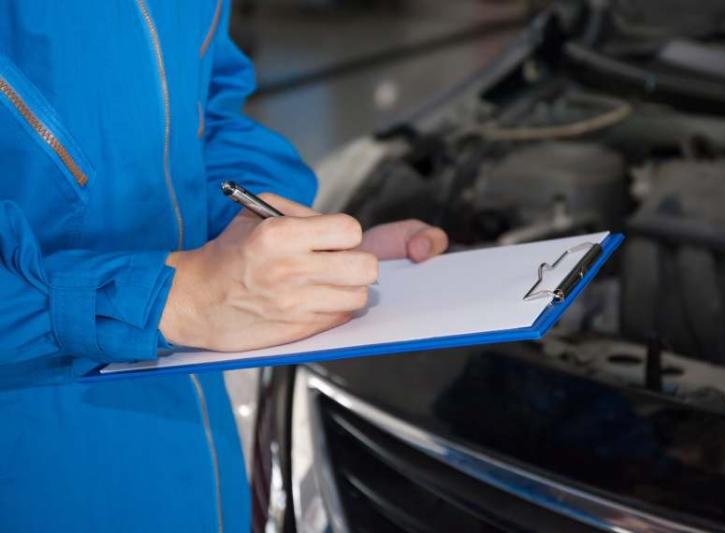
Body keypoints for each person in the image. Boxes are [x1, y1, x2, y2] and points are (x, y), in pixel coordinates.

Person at [0, 1, 448, 532]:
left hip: (193, 460)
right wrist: (176, 299)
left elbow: (206, 117)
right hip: (37, 473)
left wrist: (269, 232)